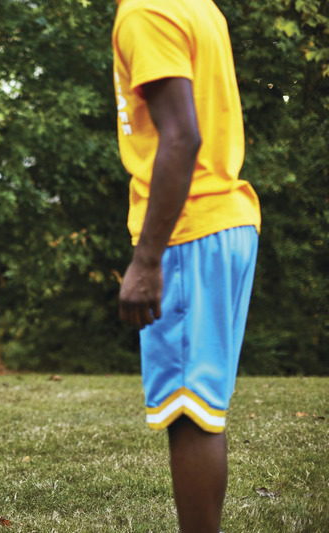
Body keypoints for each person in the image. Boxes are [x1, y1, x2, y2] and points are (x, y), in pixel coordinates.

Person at [111, 1, 261, 531]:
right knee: (201, 410)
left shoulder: (146, 12)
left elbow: (182, 136)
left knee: (189, 413)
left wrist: (146, 259)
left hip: (190, 227)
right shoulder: (196, 5)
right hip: (224, 218)